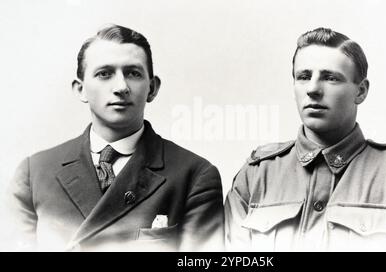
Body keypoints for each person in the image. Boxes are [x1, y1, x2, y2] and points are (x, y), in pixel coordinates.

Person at [5, 24, 224, 252]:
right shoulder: (35, 174)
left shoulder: (193, 175)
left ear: (152, 88)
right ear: (80, 89)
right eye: (104, 74)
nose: (121, 87)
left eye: (133, 73)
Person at [224, 27, 386, 251]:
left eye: (330, 78)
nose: (313, 89)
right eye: (304, 77)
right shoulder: (256, 174)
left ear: (361, 91)